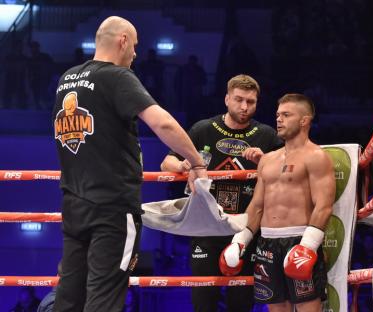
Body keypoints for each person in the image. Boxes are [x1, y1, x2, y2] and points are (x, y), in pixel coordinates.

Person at [52, 16, 207, 312]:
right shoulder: (117, 77)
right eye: (134, 45)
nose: (135, 53)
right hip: (111, 207)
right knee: (106, 294)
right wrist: (197, 163)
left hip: (74, 204)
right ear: (123, 40)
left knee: (69, 295)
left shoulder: (66, 80)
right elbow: (163, 124)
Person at [160, 74, 283, 312]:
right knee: (203, 303)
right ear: (227, 99)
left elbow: (287, 172)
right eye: (239, 99)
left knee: (241, 303)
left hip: (246, 229)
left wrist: (264, 160)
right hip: (206, 226)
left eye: (251, 101)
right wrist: (183, 166)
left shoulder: (267, 135)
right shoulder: (203, 129)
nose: (245, 107)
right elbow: (167, 162)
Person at [219, 93, 336, 312]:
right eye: (277, 115)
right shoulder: (268, 160)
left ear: (304, 120)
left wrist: (308, 246)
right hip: (267, 244)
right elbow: (256, 206)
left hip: (299, 240)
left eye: (286, 115)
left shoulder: (316, 156)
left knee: (308, 308)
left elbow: (324, 205)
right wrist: (240, 241)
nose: (279, 120)